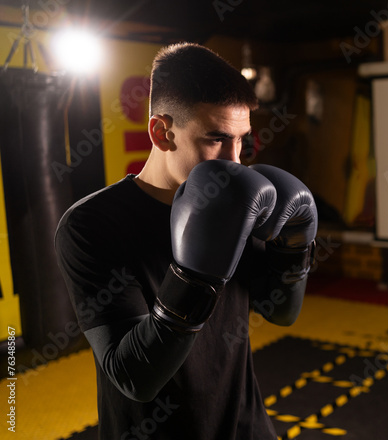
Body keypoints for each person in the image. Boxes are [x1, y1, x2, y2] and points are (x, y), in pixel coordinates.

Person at [54, 42, 317, 439]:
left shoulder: (242, 200)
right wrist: (196, 275)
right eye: (215, 139)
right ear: (162, 132)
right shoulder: (91, 226)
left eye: (242, 139)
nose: (234, 160)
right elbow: (134, 376)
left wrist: (295, 245)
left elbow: (280, 311)